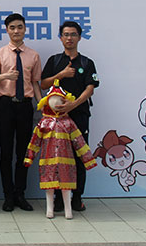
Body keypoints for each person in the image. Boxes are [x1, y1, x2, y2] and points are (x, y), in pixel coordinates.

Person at [0, 13, 42, 212]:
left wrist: (42, 105)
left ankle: (20, 194)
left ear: (25, 29)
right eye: (12, 27)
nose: (16, 31)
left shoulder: (33, 55)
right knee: (6, 152)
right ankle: (8, 195)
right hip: (6, 106)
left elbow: (35, 83)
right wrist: (5, 76)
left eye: (20, 27)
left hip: (25, 106)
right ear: (7, 30)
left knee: (24, 152)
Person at [40, 21, 99, 212]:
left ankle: (77, 197)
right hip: (57, 118)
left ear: (79, 37)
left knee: (79, 156)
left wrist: (74, 104)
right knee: (58, 157)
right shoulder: (55, 61)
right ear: (60, 38)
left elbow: (90, 88)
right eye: (65, 34)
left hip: (79, 115)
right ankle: (59, 198)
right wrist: (62, 74)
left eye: (73, 34)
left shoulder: (87, 63)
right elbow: (43, 84)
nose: (69, 38)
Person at [24, 81, 97, 219]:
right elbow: (35, 141)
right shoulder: (44, 123)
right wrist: (29, 157)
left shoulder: (68, 123)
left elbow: (79, 141)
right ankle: (49, 208)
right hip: (48, 160)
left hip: (66, 161)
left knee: (66, 186)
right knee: (49, 186)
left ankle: (68, 209)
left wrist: (87, 159)